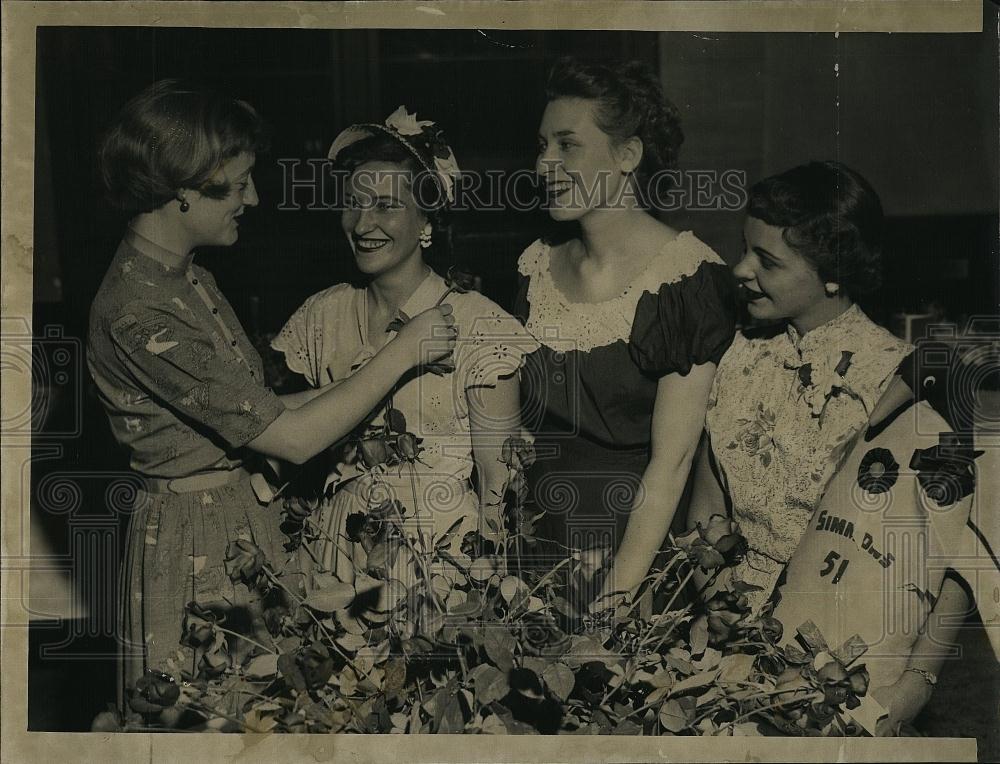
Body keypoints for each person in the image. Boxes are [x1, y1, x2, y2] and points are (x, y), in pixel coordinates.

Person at [87, 81, 456, 714]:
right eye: (237, 184)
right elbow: (291, 438)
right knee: (216, 718)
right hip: (194, 538)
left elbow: (259, 404)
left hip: (235, 519)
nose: (253, 198)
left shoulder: (185, 276)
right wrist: (403, 353)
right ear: (182, 188)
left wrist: (360, 375)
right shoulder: (139, 310)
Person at [689, 160, 986, 735]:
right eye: (745, 249)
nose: (741, 269)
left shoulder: (900, 381)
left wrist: (912, 689)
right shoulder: (735, 357)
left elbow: (957, 559)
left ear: (833, 273)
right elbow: (708, 502)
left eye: (768, 261)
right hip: (729, 655)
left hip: (848, 664)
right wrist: (720, 610)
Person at [271, 107, 539, 590]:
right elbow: (288, 445)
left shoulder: (481, 326)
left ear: (427, 218)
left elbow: (501, 490)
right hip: (336, 557)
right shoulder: (319, 318)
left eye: (386, 206)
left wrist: (489, 597)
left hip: (441, 568)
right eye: (352, 202)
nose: (361, 223)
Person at [513, 57, 736, 607]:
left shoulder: (686, 279)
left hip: (632, 558)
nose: (544, 163)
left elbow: (674, 462)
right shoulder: (532, 267)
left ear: (628, 155)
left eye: (567, 145)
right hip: (532, 555)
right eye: (542, 145)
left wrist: (611, 605)